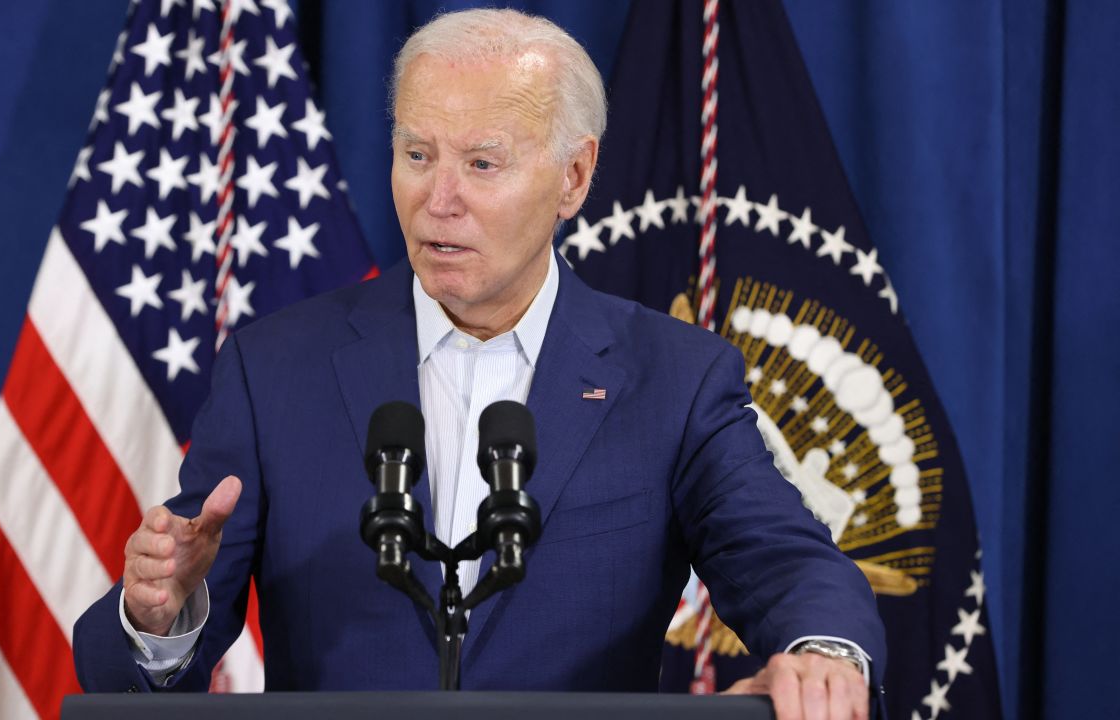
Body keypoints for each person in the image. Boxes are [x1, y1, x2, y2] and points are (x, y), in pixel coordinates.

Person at [73, 9, 885, 720]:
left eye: (482, 163)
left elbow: (788, 563)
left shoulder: (675, 379)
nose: (440, 198)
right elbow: (136, 681)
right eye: (417, 154)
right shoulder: (273, 369)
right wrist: (157, 615)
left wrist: (826, 652)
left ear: (574, 177)